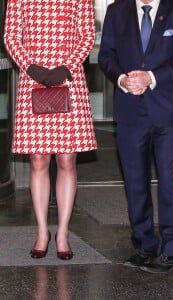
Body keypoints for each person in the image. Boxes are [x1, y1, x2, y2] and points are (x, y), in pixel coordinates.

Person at [98, 0, 173, 273]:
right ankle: (143, 246)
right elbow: (107, 56)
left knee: (170, 180)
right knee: (135, 181)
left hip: (168, 111)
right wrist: (122, 79)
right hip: (130, 111)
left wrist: (151, 77)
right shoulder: (117, 11)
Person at [4, 0, 96, 260]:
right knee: (39, 159)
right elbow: (11, 35)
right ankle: (42, 232)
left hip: (69, 76)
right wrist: (31, 67)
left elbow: (87, 34)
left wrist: (66, 66)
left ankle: (63, 233)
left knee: (67, 159)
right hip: (32, 77)